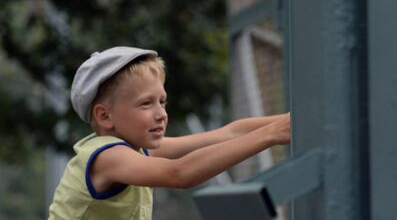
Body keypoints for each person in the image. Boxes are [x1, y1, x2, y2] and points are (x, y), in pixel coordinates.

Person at [48, 46, 290, 219]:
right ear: (104, 116)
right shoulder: (107, 157)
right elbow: (179, 174)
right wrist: (270, 135)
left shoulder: (136, 150)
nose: (161, 113)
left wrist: (290, 121)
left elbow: (229, 133)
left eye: (162, 102)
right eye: (146, 104)